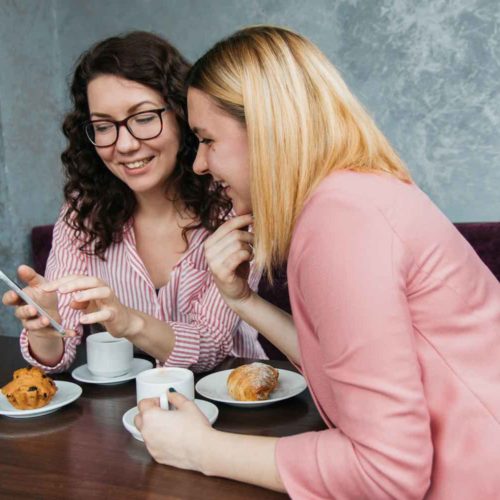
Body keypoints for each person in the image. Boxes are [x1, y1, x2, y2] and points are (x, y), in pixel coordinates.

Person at [134, 26, 500, 498]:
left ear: (267, 132)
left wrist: (201, 449)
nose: (200, 164)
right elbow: (351, 373)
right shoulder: (351, 197)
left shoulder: (339, 222)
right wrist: (243, 300)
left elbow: (387, 473)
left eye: (208, 140)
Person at [2, 31, 266, 374]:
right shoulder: (83, 210)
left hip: (236, 399)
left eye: (143, 118)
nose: (124, 145)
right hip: (127, 410)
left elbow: (211, 348)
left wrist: (128, 322)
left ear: (181, 116)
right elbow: (57, 356)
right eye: (103, 126)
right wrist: (45, 327)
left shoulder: (233, 204)